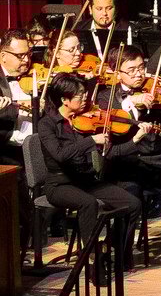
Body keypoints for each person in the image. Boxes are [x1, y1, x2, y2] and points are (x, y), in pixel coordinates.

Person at [36, 73, 144, 269]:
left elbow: (110, 152)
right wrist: (91, 141)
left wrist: (133, 139)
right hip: (60, 184)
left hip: (86, 180)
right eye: (80, 95)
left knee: (133, 204)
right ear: (65, 99)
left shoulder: (86, 118)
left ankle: (117, 250)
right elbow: (60, 155)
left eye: (85, 93)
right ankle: (93, 259)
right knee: (88, 203)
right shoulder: (47, 124)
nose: (85, 98)